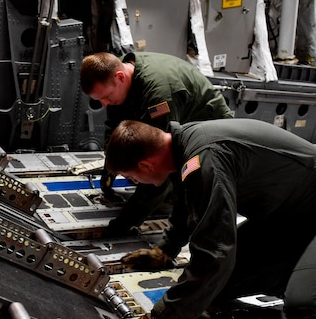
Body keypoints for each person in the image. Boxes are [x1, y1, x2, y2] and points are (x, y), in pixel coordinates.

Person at [103, 119, 316, 319]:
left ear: (146, 166)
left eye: (132, 178)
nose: (135, 183)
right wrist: (165, 249)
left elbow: (215, 254)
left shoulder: (204, 157)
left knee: (309, 302)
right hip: (290, 220)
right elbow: (191, 205)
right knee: (215, 288)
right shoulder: (181, 146)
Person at [79, 52, 233, 235]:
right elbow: (115, 129)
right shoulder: (118, 75)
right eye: (100, 100)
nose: (104, 104)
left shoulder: (159, 97)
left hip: (211, 134)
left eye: (106, 97)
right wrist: (112, 167)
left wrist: (123, 224)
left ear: (120, 77)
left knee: (185, 190)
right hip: (181, 123)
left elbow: (158, 162)